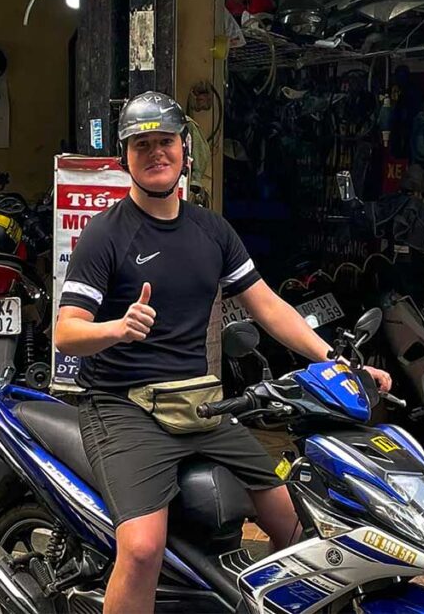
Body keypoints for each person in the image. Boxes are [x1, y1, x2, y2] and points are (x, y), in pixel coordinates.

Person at [54, 91, 392, 614]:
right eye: (141, 145)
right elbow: (67, 331)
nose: (155, 153)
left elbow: (268, 308)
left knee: (294, 522)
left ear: (184, 149)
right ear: (125, 157)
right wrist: (117, 329)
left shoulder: (211, 230)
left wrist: (341, 364)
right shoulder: (106, 234)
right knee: (143, 549)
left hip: (202, 406)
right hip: (123, 408)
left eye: (164, 142)